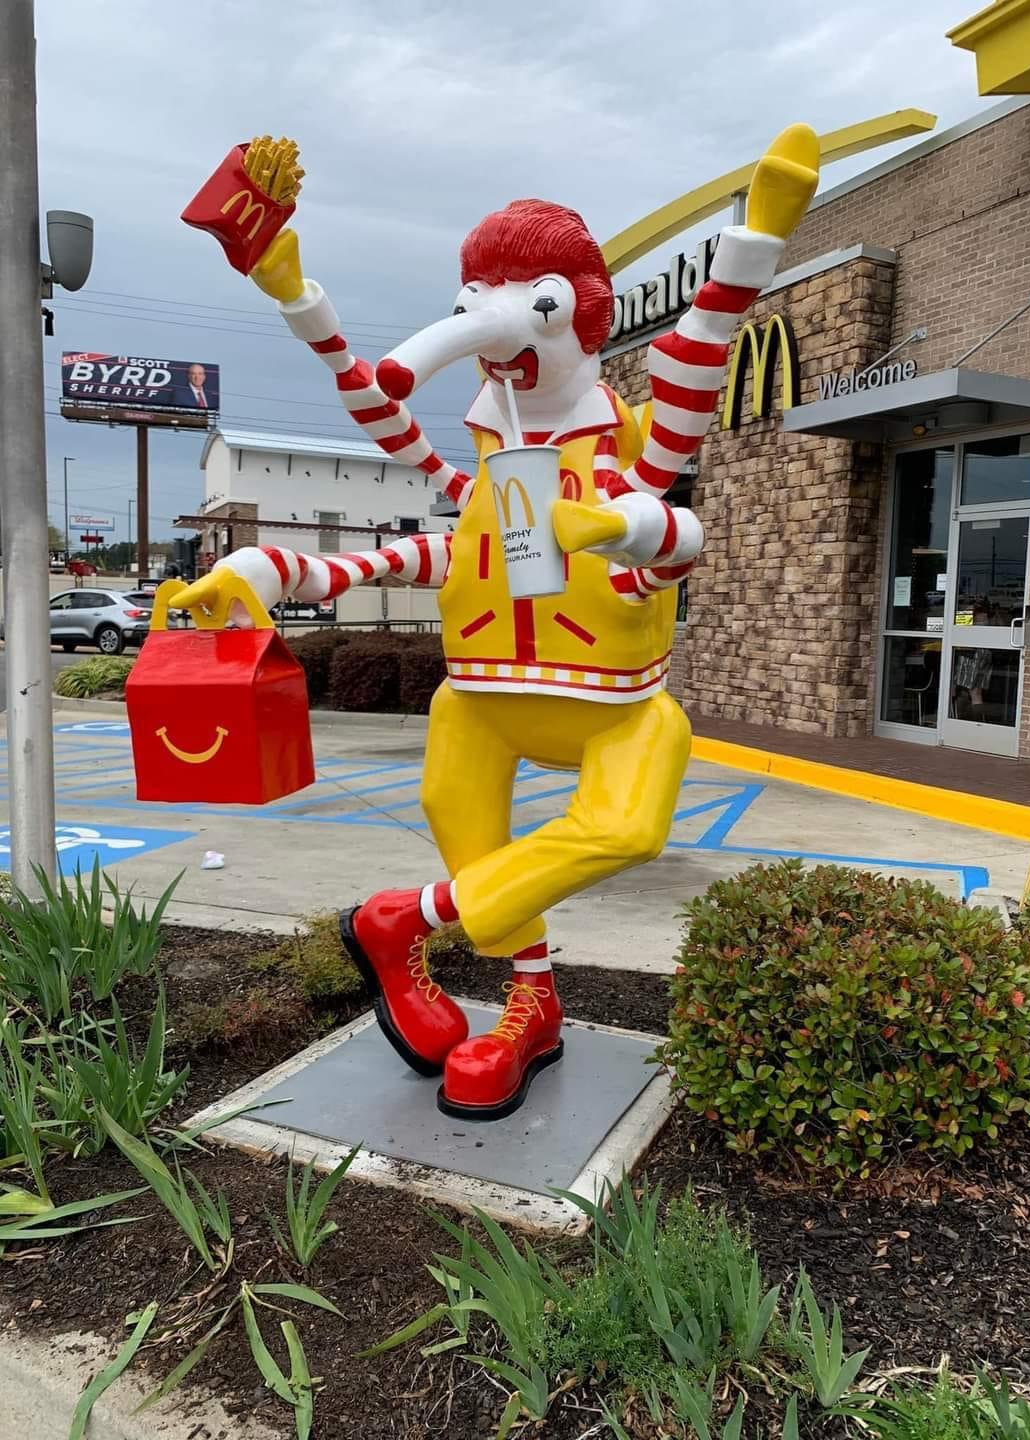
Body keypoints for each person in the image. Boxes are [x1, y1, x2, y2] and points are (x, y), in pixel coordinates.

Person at [174, 126, 820, 1120]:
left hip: (613, 708)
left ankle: (406, 921)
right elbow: (427, 545)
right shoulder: (486, 467)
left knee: (628, 826)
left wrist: (749, 251)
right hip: (480, 699)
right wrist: (269, 565)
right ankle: (531, 1004)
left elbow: (680, 525)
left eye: (523, 305)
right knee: (463, 816)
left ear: (576, 316)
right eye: (473, 302)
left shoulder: (630, 454)